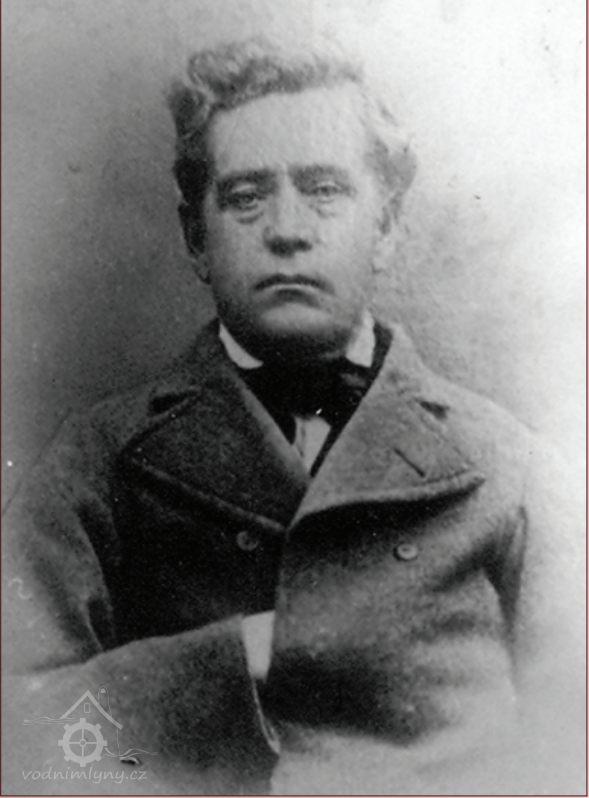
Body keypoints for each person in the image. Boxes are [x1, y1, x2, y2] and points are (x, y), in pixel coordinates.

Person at [2, 36, 584, 796]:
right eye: (246, 196)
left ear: (386, 228)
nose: (286, 228)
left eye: (323, 189)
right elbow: (20, 746)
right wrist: (236, 660)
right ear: (196, 238)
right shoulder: (97, 462)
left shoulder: (511, 468)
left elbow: (572, 745)